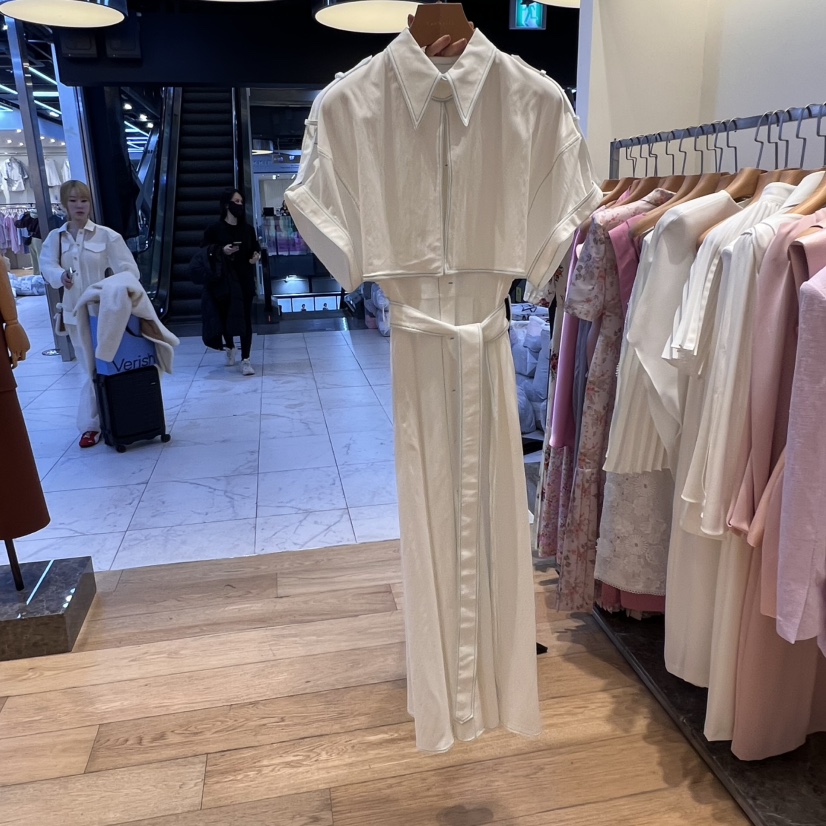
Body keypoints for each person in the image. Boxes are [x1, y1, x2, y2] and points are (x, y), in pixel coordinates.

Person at [41, 180, 140, 448]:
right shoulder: (56, 238)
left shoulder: (107, 236)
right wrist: (60, 276)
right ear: (64, 204)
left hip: (106, 313)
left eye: (84, 200)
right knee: (89, 369)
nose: (79, 206)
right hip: (75, 314)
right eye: (73, 200)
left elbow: (130, 271)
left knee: (109, 365)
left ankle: (116, 418)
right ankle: (91, 425)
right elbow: (47, 266)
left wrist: (111, 288)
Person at [201, 189, 261, 376]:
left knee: (245, 318)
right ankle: (230, 346)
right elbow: (204, 251)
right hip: (224, 280)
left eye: (241, 201)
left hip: (244, 279)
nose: (240, 205)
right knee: (225, 315)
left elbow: (255, 248)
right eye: (236, 201)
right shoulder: (215, 229)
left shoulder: (248, 229)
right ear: (227, 204)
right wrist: (222, 250)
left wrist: (255, 256)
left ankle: (246, 358)